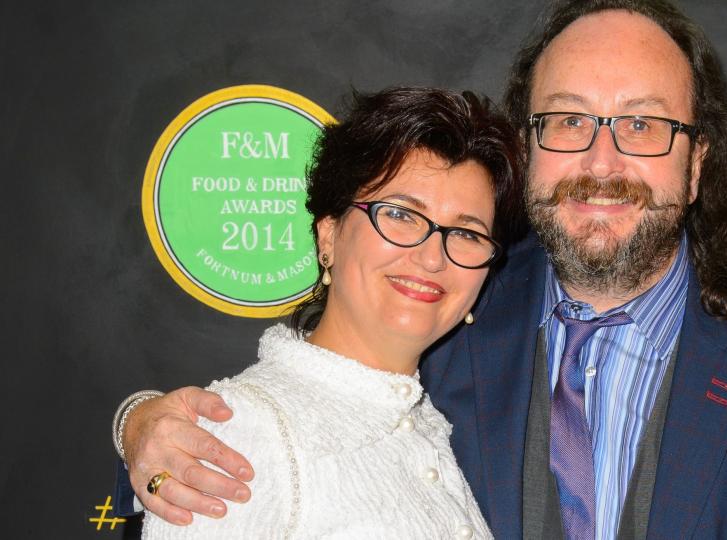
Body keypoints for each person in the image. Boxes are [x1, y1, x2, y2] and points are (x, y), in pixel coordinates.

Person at [115, 1, 727, 538]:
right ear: (528, 151)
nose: (603, 160)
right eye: (567, 121)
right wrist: (143, 427)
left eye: (642, 123)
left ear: (696, 165)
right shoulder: (444, 308)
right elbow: (255, 440)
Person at [132, 86, 524, 538]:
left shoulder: (430, 425)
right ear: (328, 235)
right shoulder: (245, 432)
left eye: (467, 234)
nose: (433, 256)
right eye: (399, 214)